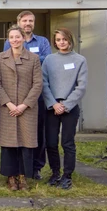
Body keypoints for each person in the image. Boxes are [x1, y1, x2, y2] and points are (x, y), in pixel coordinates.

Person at [0, 25, 43, 191]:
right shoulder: (0, 58)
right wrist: (8, 103)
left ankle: (23, 176)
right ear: (8, 40)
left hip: (26, 108)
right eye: (12, 37)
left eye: (17, 37)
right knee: (8, 144)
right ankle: (10, 177)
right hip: (8, 107)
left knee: (25, 143)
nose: (15, 40)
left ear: (23, 38)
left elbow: (37, 84)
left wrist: (24, 105)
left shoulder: (34, 58)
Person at [4, 11, 52, 180]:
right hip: (14, 96)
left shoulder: (43, 41)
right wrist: (31, 60)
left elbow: (47, 60)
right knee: (15, 133)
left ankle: (36, 167)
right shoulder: (8, 42)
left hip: (35, 95)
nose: (28, 23)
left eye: (31, 21)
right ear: (19, 22)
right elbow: (6, 64)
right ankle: (17, 169)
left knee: (37, 132)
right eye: (24, 21)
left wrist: (29, 59)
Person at [42, 28, 88, 190]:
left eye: (64, 39)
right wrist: (54, 103)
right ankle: (55, 173)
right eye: (58, 39)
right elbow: (44, 83)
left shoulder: (79, 60)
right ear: (55, 42)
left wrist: (66, 105)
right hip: (51, 107)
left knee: (67, 143)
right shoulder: (49, 60)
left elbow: (81, 87)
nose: (61, 42)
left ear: (70, 40)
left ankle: (67, 175)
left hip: (70, 108)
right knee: (51, 142)